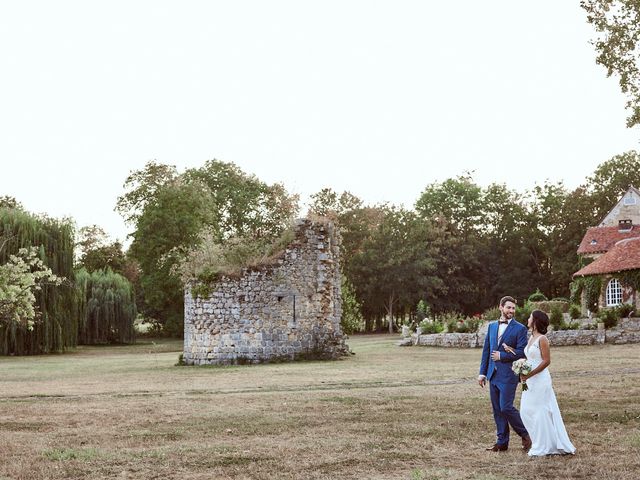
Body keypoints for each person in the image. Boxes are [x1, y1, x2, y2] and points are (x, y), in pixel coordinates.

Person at [504, 310, 576, 456]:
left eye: (530, 317)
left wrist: (529, 374)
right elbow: (529, 355)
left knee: (540, 411)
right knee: (526, 411)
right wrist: (516, 356)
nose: (528, 318)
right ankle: (538, 441)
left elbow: (546, 360)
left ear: (535, 321)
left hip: (540, 380)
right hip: (529, 379)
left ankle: (544, 446)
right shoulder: (531, 336)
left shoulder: (542, 339)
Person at [478, 296, 532, 452]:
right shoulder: (492, 326)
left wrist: (503, 356)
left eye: (513, 308)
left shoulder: (520, 328)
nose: (511, 311)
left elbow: (522, 352)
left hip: (508, 375)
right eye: (509, 307)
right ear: (501, 307)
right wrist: (482, 373)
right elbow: (486, 351)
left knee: (506, 407)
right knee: (497, 409)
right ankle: (502, 442)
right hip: (492, 374)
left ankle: (526, 434)